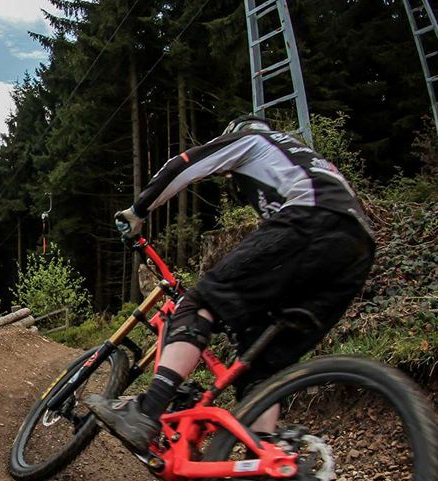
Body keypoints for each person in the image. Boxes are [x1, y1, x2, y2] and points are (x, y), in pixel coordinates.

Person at [85, 115, 376, 454]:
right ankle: (259, 472)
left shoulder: (252, 141)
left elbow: (184, 164)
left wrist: (139, 210)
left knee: (201, 302)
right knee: (260, 366)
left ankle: (148, 410)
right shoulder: (305, 161)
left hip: (313, 221)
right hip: (356, 251)